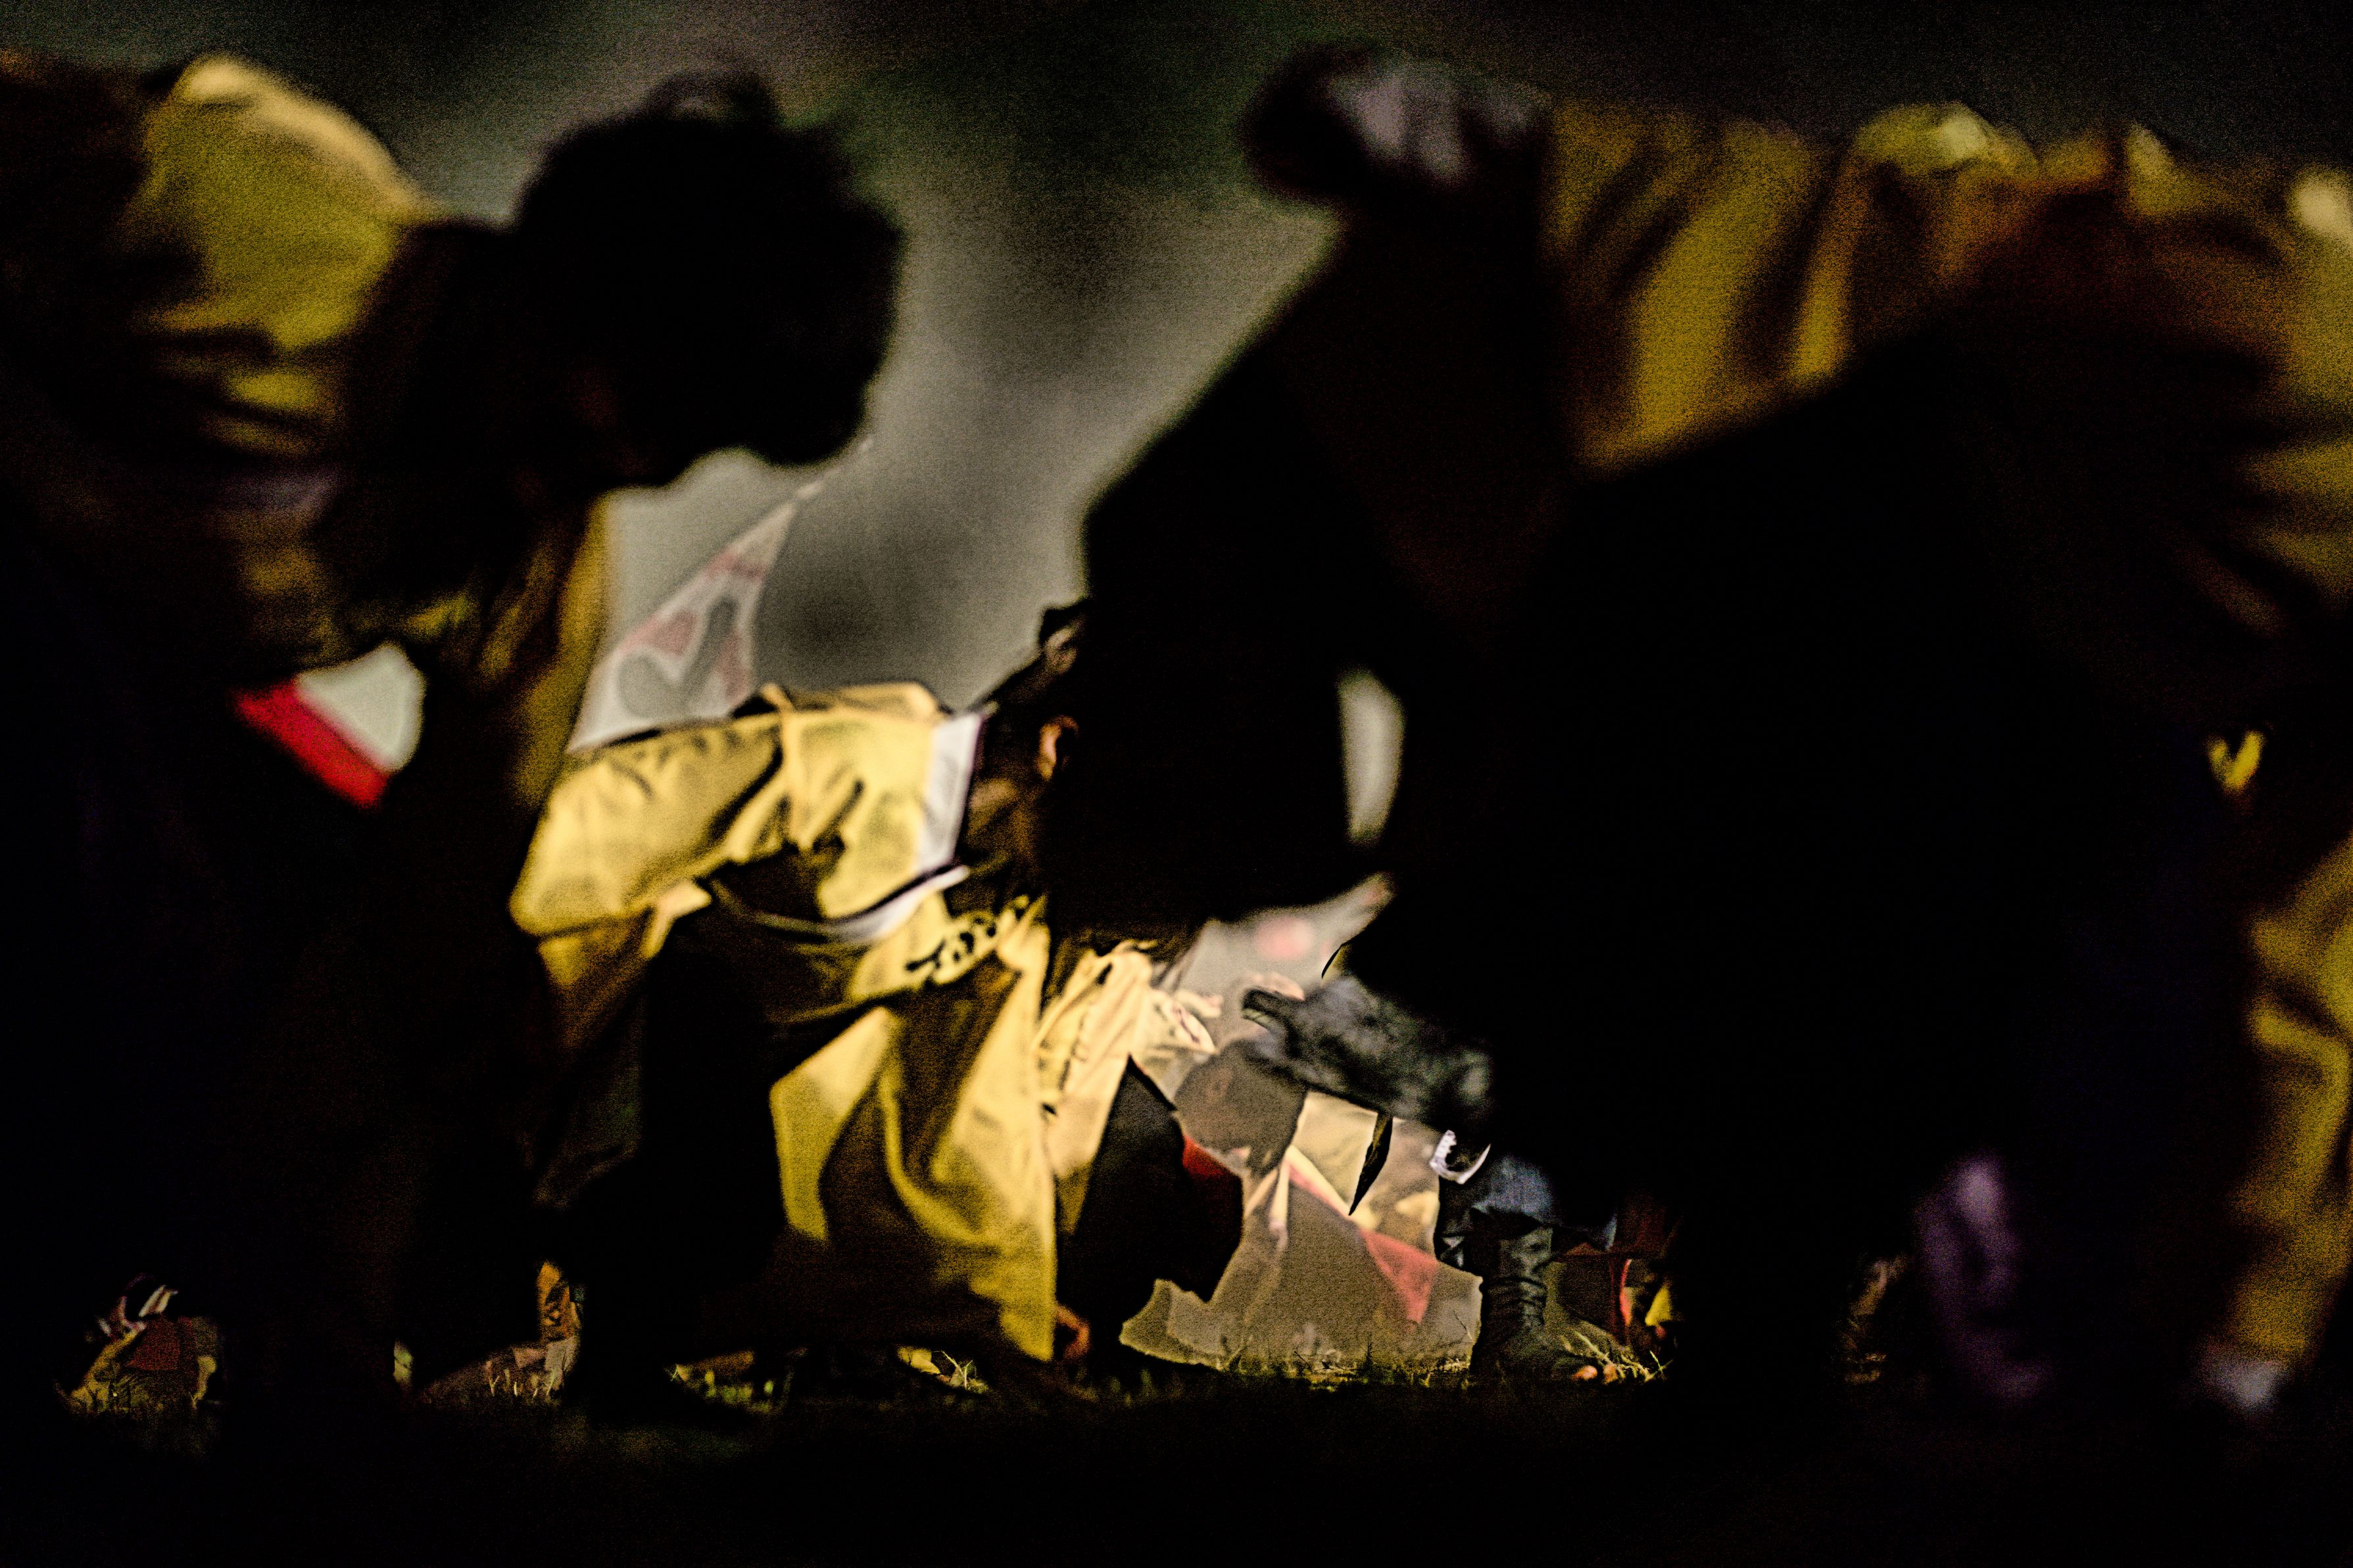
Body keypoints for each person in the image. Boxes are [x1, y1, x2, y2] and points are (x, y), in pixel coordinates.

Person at [1077, 43, 2353, 1394]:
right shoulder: (2286, 314)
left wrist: (2249, 1324)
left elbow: (2311, 955)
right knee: (1818, 970)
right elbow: (1992, 232)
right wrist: (1562, 172)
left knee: (1837, 983)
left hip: (1882, 631)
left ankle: (1756, 1354)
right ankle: (1745, 1337)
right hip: (1816, 555)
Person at [0, 51, 902, 1414]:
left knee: (305, 928)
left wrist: (366, 1223)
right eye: (632, 391)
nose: (627, 461)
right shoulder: (212, 206)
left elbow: (438, 893)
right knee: (106, 850)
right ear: (554, 277)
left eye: (680, 444)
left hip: (106, 699)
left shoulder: (525, 565)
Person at [508, 610, 1244, 1402]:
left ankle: (624, 1372)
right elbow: (575, 833)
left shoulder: (1007, 903)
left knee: (735, 1217)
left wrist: (1011, 1320)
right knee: (701, 1146)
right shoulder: (848, 761)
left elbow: (983, 1118)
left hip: (729, 1090)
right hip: (573, 1039)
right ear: (1057, 750)